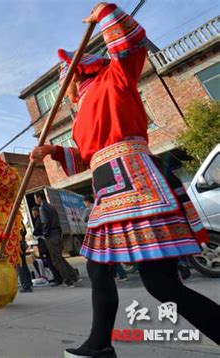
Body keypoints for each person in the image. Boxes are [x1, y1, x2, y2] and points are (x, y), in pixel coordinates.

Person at [30, 3, 220, 355]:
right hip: (108, 186)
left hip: (134, 181)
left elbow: (132, 42)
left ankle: (100, 345)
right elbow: (86, 156)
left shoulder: (116, 77)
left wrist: (106, 13)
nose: (65, 90)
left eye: (66, 79)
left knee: (162, 286)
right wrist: (53, 154)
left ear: (79, 73)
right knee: (100, 268)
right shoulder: (82, 111)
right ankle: (100, 344)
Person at [34, 192, 79, 287]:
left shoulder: (43, 208)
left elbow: (45, 222)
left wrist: (45, 234)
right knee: (60, 258)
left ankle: (68, 280)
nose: (35, 200)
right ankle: (74, 276)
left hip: (51, 236)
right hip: (57, 234)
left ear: (39, 197)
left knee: (56, 259)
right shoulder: (51, 207)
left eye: (35, 198)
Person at [31, 207, 63, 285]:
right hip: (45, 242)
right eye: (32, 212)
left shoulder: (40, 220)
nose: (33, 214)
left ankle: (57, 278)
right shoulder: (40, 219)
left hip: (44, 243)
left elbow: (36, 231)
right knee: (50, 261)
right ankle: (57, 277)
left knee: (50, 261)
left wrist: (37, 233)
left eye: (34, 212)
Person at [18, 222, 33, 293]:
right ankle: (29, 283)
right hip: (22, 243)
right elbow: (25, 232)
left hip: (18, 244)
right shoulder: (19, 221)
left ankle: (26, 285)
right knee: (24, 264)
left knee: (20, 265)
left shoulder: (12, 221)